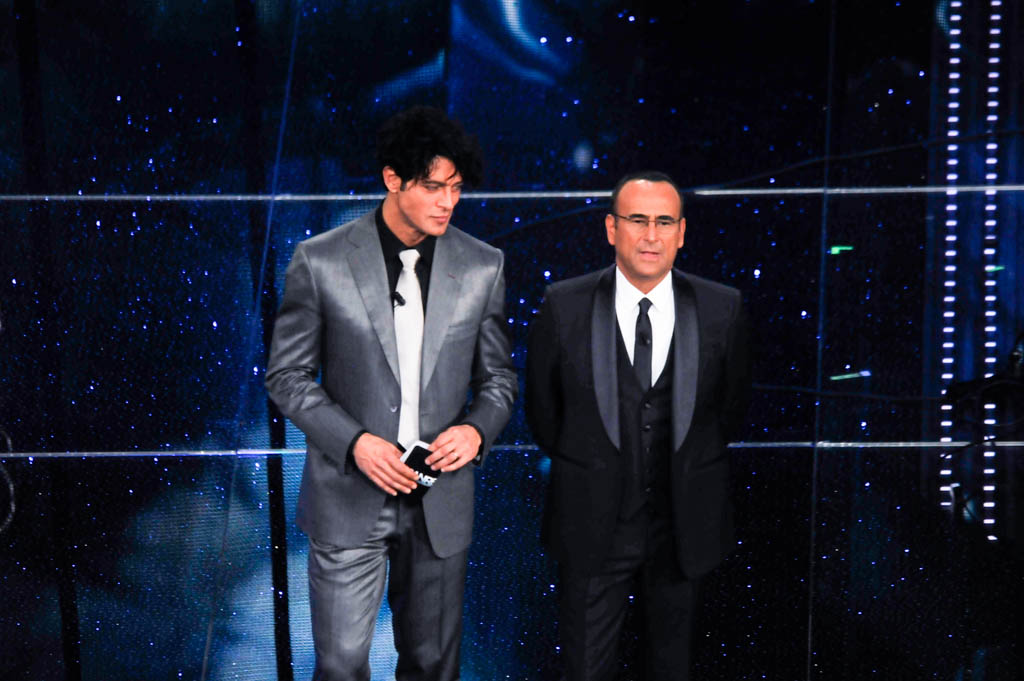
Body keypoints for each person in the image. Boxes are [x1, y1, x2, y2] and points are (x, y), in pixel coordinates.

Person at [266, 105, 517, 681]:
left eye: (456, 188)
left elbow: (499, 380)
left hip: (439, 497)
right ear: (392, 180)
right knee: (341, 665)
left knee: (432, 665)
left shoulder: (483, 266)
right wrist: (355, 443)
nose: (447, 202)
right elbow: (287, 376)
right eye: (432, 187)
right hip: (348, 495)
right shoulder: (320, 260)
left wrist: (476, 430)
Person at [525, 171, 750, 681]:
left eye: (664, 222)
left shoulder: (722, 308)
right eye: (638, 220)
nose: (651, 235)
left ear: (682, 232)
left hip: (684, 530)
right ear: (611, 228)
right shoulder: (563, 305)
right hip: (591, 525)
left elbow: (729, 412)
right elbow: (544, 414)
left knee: (672, 669)